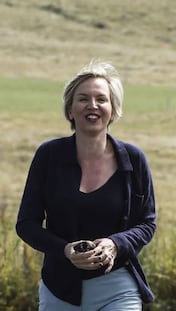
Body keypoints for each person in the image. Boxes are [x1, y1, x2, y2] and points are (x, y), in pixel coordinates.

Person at [16, 61, 157, 311]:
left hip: (118, 288)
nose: (92, 106)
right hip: (60, 289)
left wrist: (115, 244)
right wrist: (65, 250)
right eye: (83, 99)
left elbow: (147, 223)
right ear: (70, 110)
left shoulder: (134, 159)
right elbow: (26, 224)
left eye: (101, 99)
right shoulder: (49, 156)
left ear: (113, 110)